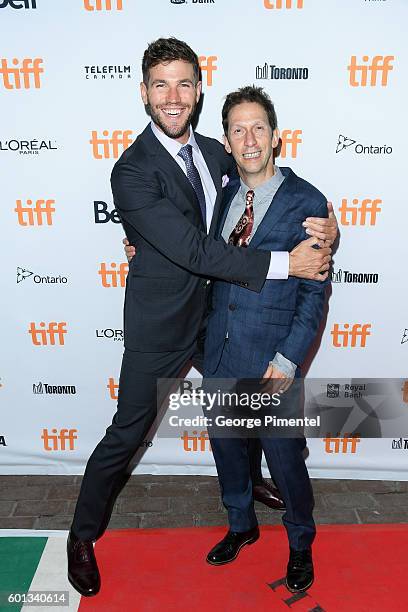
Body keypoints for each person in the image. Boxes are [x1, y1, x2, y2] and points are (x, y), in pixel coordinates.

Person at [67, 38, 337, 598]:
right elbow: (194, 249)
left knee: (252, 417)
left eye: (184, 83)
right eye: (160, 84)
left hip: (218, 324)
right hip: (161, 328)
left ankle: (263, 501)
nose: (173, 96)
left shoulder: (217, 152)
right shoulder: (132, 172)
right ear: (143, 92)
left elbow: (278, 196)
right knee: (126, 434)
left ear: (197, 90)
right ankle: (81, 537)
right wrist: (290, 262)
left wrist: (331, 231)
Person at [199, 86, 330, 593]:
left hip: (273, 359)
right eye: (237, 130)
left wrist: (290, 357)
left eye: (258, 128)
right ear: (227, 141)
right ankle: (241, 526)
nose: (249, 139)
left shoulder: (307, 201)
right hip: (221, 352)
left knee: (284, 461)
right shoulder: (225, 195)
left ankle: (300, 543)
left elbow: (314, 291)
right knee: (228, 451)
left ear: (276, 136)